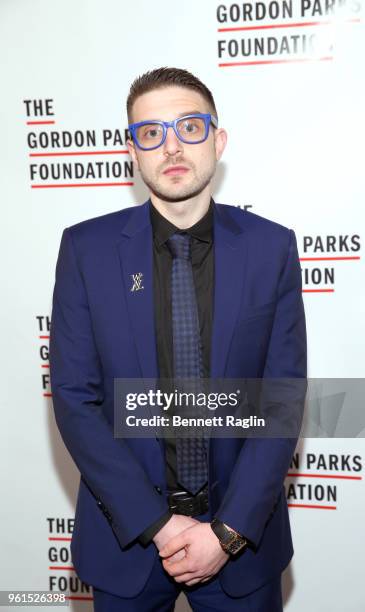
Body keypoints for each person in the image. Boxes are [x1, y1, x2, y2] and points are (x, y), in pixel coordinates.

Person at [49, 67, 307, 611]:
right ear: (133, 152)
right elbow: (76, 400)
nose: (171, 146)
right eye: (151, 133)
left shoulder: (272, 249)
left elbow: (281, 402)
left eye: (189, 127)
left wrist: (228, 530)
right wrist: (158, 525)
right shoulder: (85, 250)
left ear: (218, 141)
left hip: (240, 546)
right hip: (128, 540)